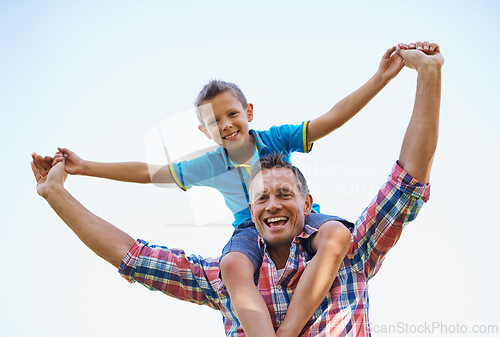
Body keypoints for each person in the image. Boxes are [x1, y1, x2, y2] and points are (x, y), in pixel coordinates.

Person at [32, 41, 443, 336]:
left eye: (232, 115)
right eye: (215, 123)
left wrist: (385, 78)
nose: (226, 126)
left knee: (335, 232)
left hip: (315, 232)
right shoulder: (210, 166)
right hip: (245, 234)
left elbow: (336, 122)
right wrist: (83, 169)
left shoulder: (277, 143)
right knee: (233, 267)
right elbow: (148, 181)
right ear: (204, 131)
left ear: (248, 112)